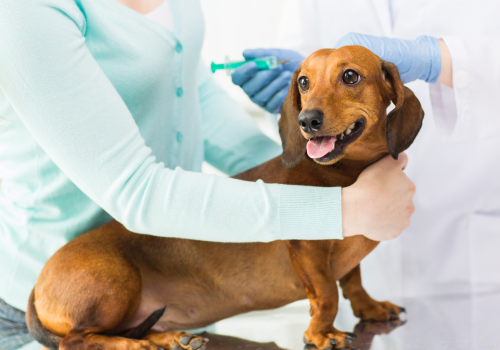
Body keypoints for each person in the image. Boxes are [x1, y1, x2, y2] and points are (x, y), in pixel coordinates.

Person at [0, 0, 415, 349]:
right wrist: (335, 208)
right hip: (54, 304)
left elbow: (193, 93)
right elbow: (136, 192)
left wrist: (309, 166)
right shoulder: (27, 11)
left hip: (180, 284)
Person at [232, 0, 500, 302]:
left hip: (475, 247)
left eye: (349, 77)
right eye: (305, 84)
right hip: (354, 259)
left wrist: (441, 60)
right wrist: (294, 98)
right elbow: (305, 113)